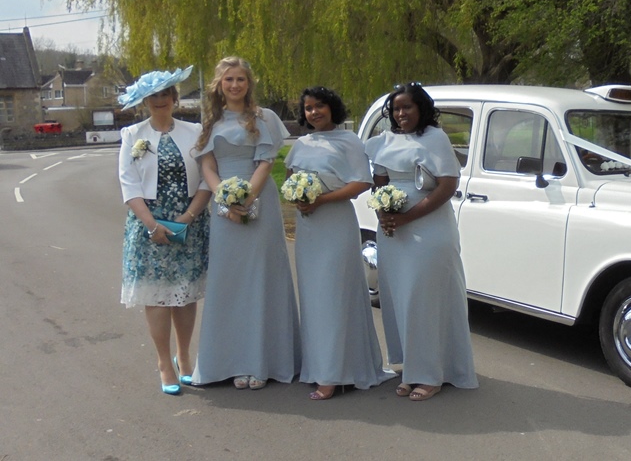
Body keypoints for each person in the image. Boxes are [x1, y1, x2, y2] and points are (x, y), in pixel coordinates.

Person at [364, 82, 478, 401]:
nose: (401, 114)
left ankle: (432, 374)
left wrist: (407, 216)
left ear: (421, 109)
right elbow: (380, 182)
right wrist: (384, 211)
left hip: (429, 228)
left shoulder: (435, 138)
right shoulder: (382, 141)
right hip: (393, 232)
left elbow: (446, 187)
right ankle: (412, 367)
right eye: (396, 108)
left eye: (408, 107)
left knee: (425, 299)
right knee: (401, 297)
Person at [191, 57, 300, 390]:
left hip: (259, 201)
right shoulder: (210, 122)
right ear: (219, 85)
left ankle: (265, 361)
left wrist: (247, 198)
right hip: (223, 203)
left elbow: (266, 162)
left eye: (240, 79)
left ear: (249, 83)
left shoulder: (263, 117)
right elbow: (207, 167)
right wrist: (225, 197)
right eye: (229, 80)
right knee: (230, 281)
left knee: (261, 277)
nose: (235, 85)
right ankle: (227, 361)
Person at [285, 86, 395, 400]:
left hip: (335, 223)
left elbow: (362, 182)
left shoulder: (349, 141)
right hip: (308, 228)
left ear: (333, 108)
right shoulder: (302, 143)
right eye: (308, 108)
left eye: (319, 106)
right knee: (313, 295)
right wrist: (300, 195)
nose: (314, 112)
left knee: (335, 294)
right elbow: (291, 174)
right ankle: (319, 366)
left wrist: (321, 199)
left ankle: (333, 374)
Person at [117, 66, 212, 396]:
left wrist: (187, 217)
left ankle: (184, 357)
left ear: (175, 98)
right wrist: (152, 225)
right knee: (157, 296)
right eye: (153, 96)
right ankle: (163, 362)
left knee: (184, 294)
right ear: (146, 101)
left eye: (165, 95)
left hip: (189, 220)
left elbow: (206, 179)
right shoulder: (132, 135)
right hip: (149, 225)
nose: (160, 100)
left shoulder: (195, 131)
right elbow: (129, 185)